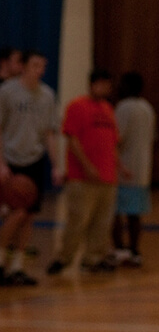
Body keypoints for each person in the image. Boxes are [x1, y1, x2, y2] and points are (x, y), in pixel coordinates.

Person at [46, 70, 120, 275]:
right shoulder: (77, 106)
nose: (107, 89)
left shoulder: (107, 108)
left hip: (107, 176)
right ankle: (64, 258)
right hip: (82, 176)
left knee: (102, 222)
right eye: (104, 84)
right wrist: (87, 165)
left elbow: (113, 141)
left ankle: (93, 258)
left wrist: (119, 166)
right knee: (77, 220)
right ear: (93, 84)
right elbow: (72, 138)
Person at [0, 50, 61, 286]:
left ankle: (17, 267)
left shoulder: (46, 95)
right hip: (11, 159)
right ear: (23, 66)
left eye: (43, 66)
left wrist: (56, 166)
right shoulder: (7, 92)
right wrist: (2, 163)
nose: (40, 70)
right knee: (18, 212)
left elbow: (49, 134)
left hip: (35, 160)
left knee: (30, 216)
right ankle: (2, 261)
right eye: (36, 65)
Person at [110, 72, 156, 267]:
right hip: (143, 169)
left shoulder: (124, 107)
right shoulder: (148, 108)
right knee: (135, 214)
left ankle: (120, 249)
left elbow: (116, 138)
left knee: (115, 211)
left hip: (124, 169)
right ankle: (135, 250)